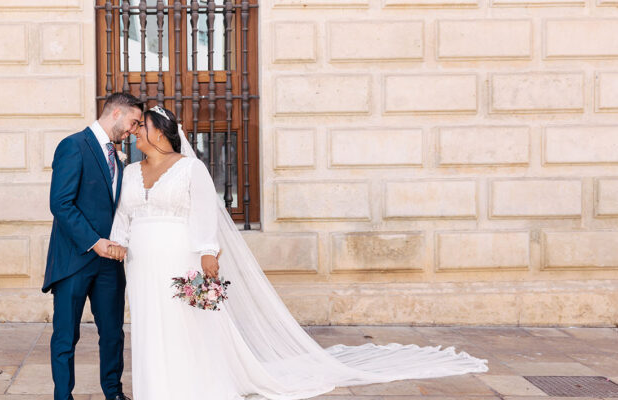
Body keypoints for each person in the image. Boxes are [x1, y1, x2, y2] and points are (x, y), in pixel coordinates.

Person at [106, 105, 488, 400]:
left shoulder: (190, 169)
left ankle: (190, 386)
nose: (136, 131)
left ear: (161, 133)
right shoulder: (130, 171)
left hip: (179, 257)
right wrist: (117, 242)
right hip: (141, 263)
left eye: (143, 126)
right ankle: (156, 387)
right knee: (147, 321)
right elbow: (123, 213)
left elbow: (205, 215)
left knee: (185, 323)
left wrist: (208, 256)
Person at [42, 92, 142, 400]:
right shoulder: (73, 146)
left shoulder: (119, 156)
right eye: (133, 122)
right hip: (75, 258)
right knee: (65, 336)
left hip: (110, 262)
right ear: (116, 113)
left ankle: (113, 393)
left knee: (112, 333)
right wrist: (93, 242)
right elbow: (60, 203)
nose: (134, 131)